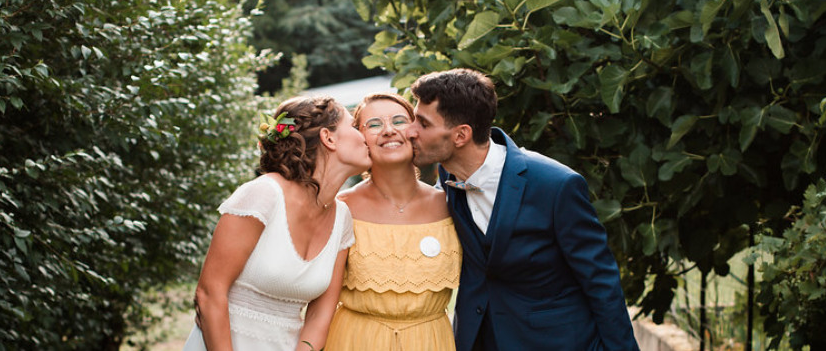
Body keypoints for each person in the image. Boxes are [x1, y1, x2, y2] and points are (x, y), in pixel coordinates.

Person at [406, 69, 639, 351]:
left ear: (461, 135)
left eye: (423, 123)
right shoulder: (446, 177)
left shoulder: (556, 185)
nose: (410, 131)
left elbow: (601, 282)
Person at [183, 95, 371, 351]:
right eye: (355, 127)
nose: (365, 136)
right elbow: (208, 294)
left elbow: (320, 316)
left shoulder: (342, 218)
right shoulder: (263, 194)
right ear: (329, 138)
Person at [325, 93, 462, 350]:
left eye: (399, 121)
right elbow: (322, 301)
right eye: (374, 125)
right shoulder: (340, 207)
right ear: (360, 137)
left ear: (416, 131)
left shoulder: (452, 205)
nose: (388, 131)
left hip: (430, 341)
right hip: (355, 340)